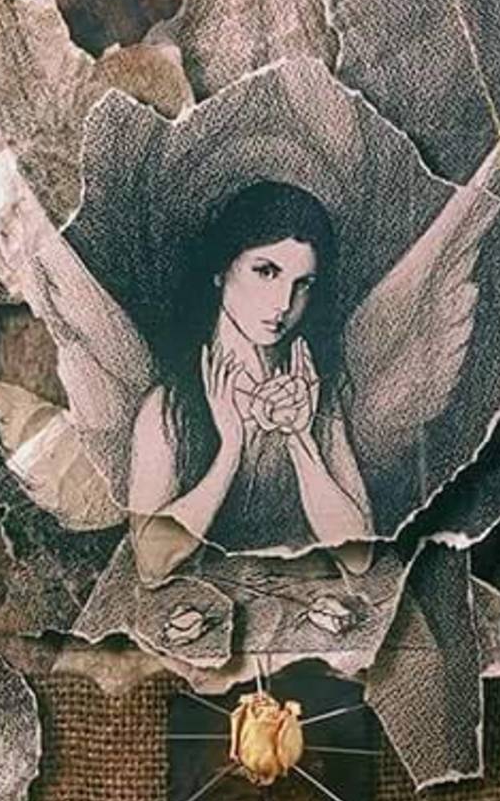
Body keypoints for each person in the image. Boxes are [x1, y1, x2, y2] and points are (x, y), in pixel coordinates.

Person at [128, 182, 374, 583]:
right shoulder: (166, 405)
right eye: (266, 272)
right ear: (221, 271)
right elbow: (151, 564)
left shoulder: (314, 396)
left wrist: (300, 439)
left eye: (303, 284)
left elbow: (359, 556)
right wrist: (231, 450)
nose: (283, 304)